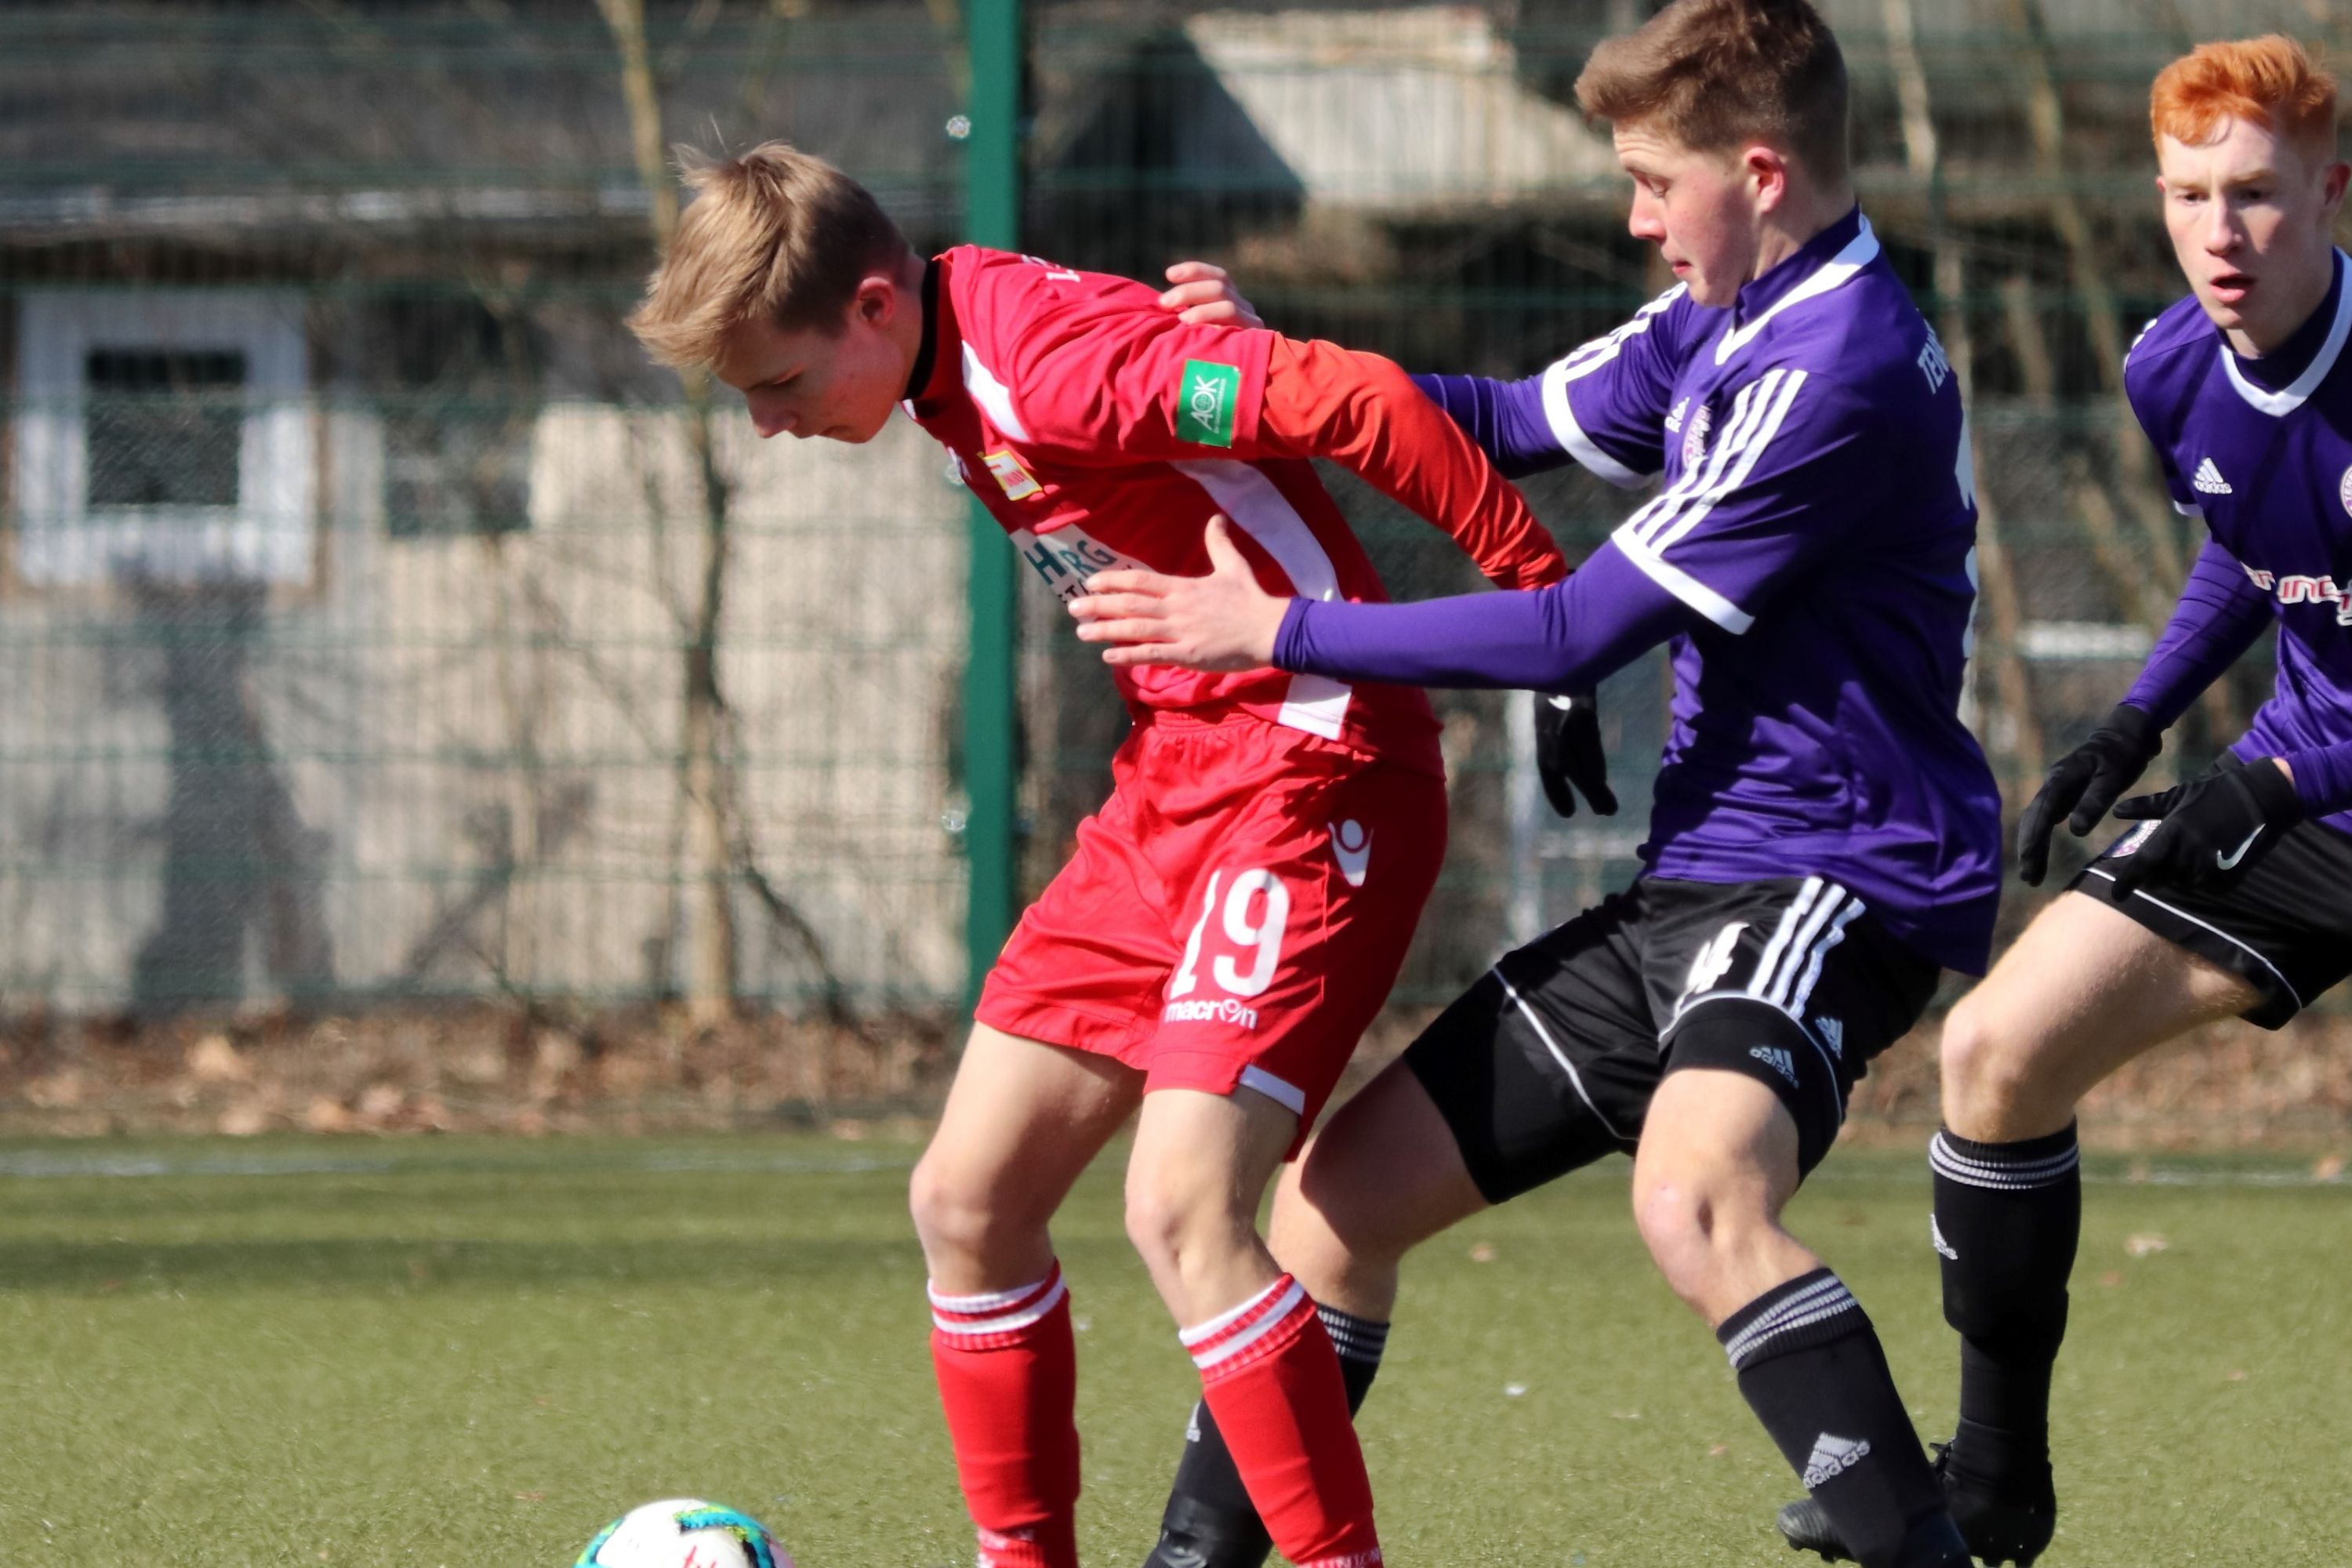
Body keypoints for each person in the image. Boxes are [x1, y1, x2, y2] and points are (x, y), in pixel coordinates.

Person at [1069, 3, 2001, 1566]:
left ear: (1760, 174)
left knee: (1694, 1193)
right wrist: (1274, 358)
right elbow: (1502, 421)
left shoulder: (1831, 371)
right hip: (1696, 887)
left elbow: (1578, 626)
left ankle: (1926, 1543)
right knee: (1331, 1203)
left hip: (1837, 876)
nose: (1636, 219)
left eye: (1653, 181)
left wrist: (1277, 626)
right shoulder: (1719, 316)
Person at [625, 143, 1610, 1568]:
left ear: (877, 310)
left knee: (1182, 1205)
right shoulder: (950, 360)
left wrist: (1542, 602)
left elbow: (1364, 401)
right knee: (967, 1201)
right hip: (1174, 786)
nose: (771, 426)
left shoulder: (1050, 366)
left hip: (1312, 769)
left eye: (780, 386)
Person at [1765, 34, 2352, 1568]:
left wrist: (2264, 778)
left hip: (2292, 783)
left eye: (2258, 197)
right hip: (2301, 799)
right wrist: (2133, 722)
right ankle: (1993, 1488)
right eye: (2187, 195)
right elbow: (2245, 544)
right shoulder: (2170, 367)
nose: (2221, 234)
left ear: (2335, 191)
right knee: (1999, 1049)